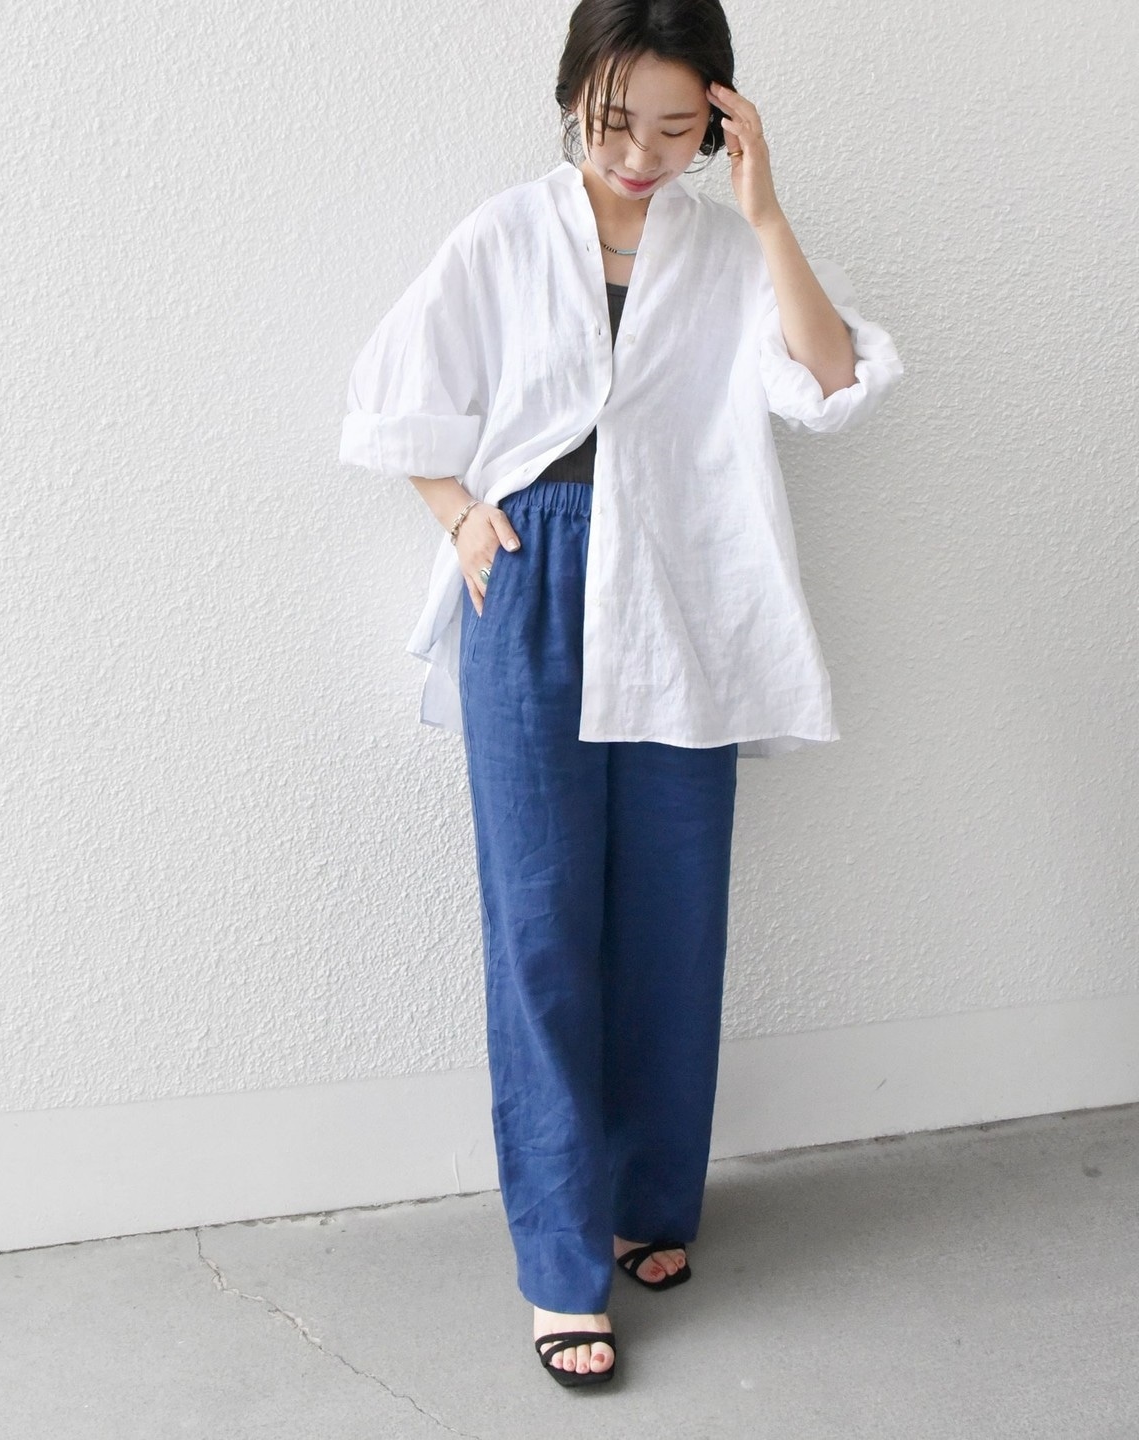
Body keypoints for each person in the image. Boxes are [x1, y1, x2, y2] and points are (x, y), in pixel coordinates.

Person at [340, 0, 903, 1390]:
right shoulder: (504, 235)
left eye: (675, 127)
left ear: (719, 121)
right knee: (541, 923)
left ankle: (651, 1202)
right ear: (570, 104)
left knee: (672, 913)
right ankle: (558, 1266)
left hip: (677, 598)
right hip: (532, 579)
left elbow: (831, 383)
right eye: (612, 123)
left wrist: (765, 210)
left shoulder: (728, 248)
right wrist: (460, 515)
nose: (639, 154)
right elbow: (398, 388)